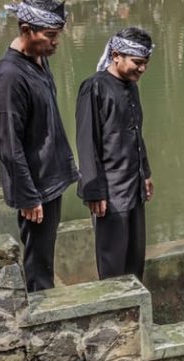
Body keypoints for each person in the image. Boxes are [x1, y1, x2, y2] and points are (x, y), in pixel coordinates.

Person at [0, 0, 78, 292]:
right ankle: (42, 323)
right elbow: (7, 142)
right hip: (34, 185)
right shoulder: (10, 77)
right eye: (50, 35)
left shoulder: (38, 59)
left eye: (57, 35)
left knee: (45, 254)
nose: (55, 42)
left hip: (49, 176)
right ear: (26, 29)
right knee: (38, 262)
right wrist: (27, 195)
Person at [75, 27, 155, 281]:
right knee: (113, 258)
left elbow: (135, 135)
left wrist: (146, 173)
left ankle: (134, 310)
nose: (142, 69)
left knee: (135, 254)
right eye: (138, 62)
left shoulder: (131, 87)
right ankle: (114, 313)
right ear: (116, 55)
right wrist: (94, 190)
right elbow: (86, 142)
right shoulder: (94, 87)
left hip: (134, 185)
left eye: (145, 63)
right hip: (110, 191)